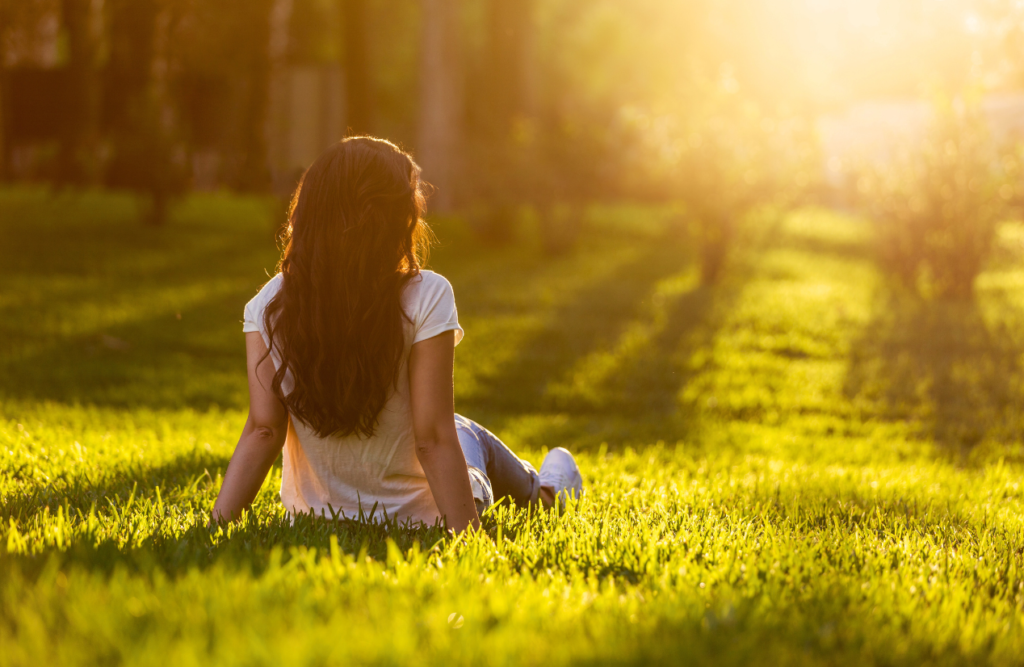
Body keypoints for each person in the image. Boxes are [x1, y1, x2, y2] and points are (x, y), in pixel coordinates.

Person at [211, 137, 583, 532]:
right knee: (460, 428)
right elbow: (433, 437)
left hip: (317, 514)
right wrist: (470, 540)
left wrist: (214, 527)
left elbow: (263, 430)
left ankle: (540, 486)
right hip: (424, 517)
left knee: (455, 427)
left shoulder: (268, 305)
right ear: (393, 217)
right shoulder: (429, 293)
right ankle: (546, 494)